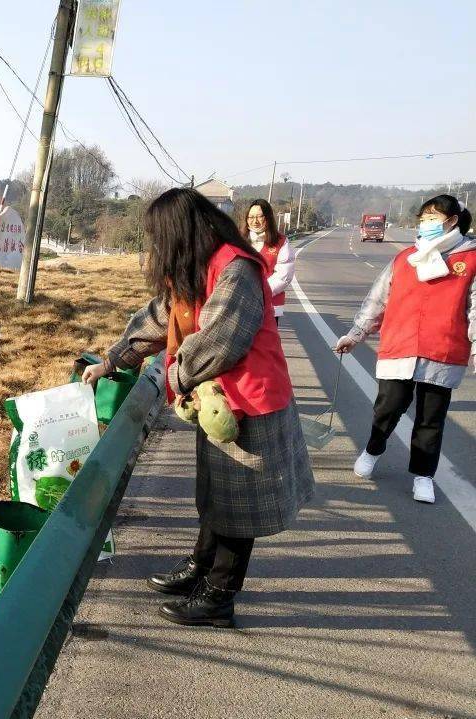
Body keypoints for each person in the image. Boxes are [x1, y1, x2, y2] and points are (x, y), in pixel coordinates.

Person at [82, 188, 314, 627]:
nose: (155, 246)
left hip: (250, 403)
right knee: (217, 496)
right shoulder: (196, 268)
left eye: (157, 236)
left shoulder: (236, 269)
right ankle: (201, 568)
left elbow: (221, 342)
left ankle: (219, 597)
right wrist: (111, 361)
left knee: (237, 504)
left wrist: (171, 379)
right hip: (216, 401)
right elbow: (158, 317)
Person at [335, 195, 475, 504]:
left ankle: (423, 476)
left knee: (430, 419)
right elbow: (378, 300)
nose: (426, 223)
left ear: (452, 221)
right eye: (423, 218)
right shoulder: (405, 259)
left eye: (433, 217)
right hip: (400, 347)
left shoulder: (471, 260)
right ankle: (373, 448)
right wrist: (355, 334)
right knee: (388, 407)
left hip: (443, 353)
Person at [242, 199, 295, 323]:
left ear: (268, 218)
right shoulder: (238, 240)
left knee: (266, 341)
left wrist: (260, 292)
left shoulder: (281, 242)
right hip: (241, 303)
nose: (255, 221)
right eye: (251, 217)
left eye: (260, 217)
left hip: (270, 305)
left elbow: (284, 276)